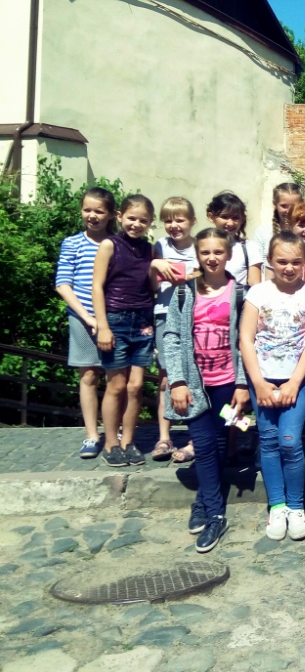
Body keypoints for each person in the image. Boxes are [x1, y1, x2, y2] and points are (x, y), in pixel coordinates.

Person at [162, 228, 249, 553]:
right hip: (195, 386)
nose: (212, 258)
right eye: (205, 252)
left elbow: (247, 341)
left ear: (228, 254)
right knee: (204, 443)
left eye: (218, 251)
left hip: (227, 384)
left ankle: (203, 500)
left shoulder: (240, 294)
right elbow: (172, 337)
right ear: (197, 255)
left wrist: (243, 383)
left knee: (223, 435)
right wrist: (177, 381)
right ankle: (215, 514)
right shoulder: (183, 293)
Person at [239, 232, 305, 541]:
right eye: (282, 261)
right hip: (261, 379)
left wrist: (295, 381)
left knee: (290, 441)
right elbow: (246, 338)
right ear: (270, 262)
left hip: (296, 381)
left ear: (304, 263)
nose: (289, 268)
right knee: (269, 440)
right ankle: (276, 505)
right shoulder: (257, 293)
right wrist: (258, 382)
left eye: (296, 262)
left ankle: (296, 506)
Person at [92, 195, 175, 467]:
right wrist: (103, 327)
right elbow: (97, 287)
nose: (136, 224)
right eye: (131, 218)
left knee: (136, 386)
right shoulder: (109, 245)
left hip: (143, 321)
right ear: (119, 217)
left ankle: (128, 441)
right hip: (115, 319)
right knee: (116, 386)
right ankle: (111, 443)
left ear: (150, 223)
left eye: (143, 220)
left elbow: (152, 286)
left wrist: (154, 267)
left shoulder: (149, 249)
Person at [56, 187, 116, 459]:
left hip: (114, 318)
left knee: (116, 379)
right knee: (89, 376)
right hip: (82, 318)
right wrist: (88, 317)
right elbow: (63, 284)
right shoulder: (72, 243)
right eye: (87, 210)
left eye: (99, 211)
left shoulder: (118, 243)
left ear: (111, 214)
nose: (92, 216)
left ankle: (114, 433)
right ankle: (92, 435)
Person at [152, 197, 200, 463]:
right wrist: (154, 266)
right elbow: (151, 285)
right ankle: (164, 437)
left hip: (193, 315)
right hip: (164, 313)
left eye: (179, 220)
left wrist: (188, 277)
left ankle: (196, 437)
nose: (174, 225)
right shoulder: (159, 246)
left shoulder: (200, 245)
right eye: (168, 220)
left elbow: (209, 276)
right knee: (166, 378)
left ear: (192, 221)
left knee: (197, 377)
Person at [205, 191, 260, 289]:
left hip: (237, 298)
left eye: (235, 218)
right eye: (224, 217)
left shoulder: (250, 248)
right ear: (211, 217)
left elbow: (255, 286)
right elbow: (196, 278)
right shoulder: (202, 245)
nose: (230, 223)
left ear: (242, 219)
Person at [252, 182, 303, 268]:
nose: (289, 211)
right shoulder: (262, 233)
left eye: (294, 206)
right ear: (275, 204)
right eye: (284, 206)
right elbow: (257, 267)